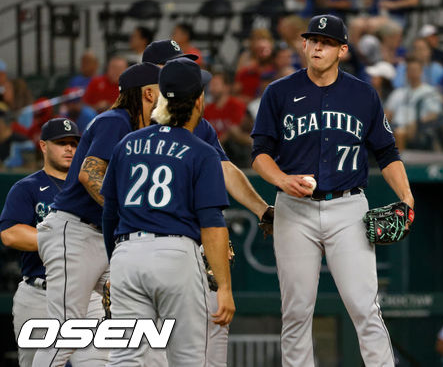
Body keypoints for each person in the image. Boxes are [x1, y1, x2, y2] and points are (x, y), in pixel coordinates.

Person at [251, 14, 414, 367]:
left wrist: (406, 196)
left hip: (348, 208)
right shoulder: (279, 92)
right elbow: (259, 155)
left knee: (364, 308)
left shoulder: (362, 94)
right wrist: (281, 180)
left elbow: (386, 153)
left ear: (342, 50)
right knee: (295, 312)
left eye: (325, 42)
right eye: (312, 40)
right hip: (295, 209)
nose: (317, 47)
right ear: (304, 45)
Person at [142, 39, 274, 367]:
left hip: (188, 242)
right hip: (139, 243)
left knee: (210, 330)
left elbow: (225, 170)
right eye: (172, 65)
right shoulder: (125, 121)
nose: (181, 71)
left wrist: (262, 209)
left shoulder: (198, 126)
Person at [101, 57, 234, 366]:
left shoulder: (127, 144)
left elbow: (110, 213)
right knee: (187, 357)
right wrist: (224, 287)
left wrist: (114, 263)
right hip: (176, 254)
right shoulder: (202, 152)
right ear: (199, 100)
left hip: (127, 253)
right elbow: (212, 224)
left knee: (125, 357)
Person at [32, 62, 161, 367]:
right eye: (161, 90)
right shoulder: (116, 121)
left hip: (104, 238)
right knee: (64, 332)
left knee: (126, 331)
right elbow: (90, 176)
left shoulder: (143, 131)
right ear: (147, 93)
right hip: (75, 232)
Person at [0, 119, 101, 367]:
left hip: (90, 296)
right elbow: (10, 234)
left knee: (98, 363)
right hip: (40, 293)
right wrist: (65, 241)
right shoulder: (27, 187)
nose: (69, 149)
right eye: (61, 143)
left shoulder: (92, 186)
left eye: (74, 143)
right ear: (43, 146)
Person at [384, 57, 443, 151]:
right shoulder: (398, 93)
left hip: (418, 128)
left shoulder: (429, 92)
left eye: (415, 70)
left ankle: (399, 163)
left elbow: (434, 114)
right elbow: (387, 114)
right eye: (409, 70)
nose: (412, 73)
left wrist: (416, 122)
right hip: (395, 126)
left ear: (421, 72)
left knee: (400, 133)